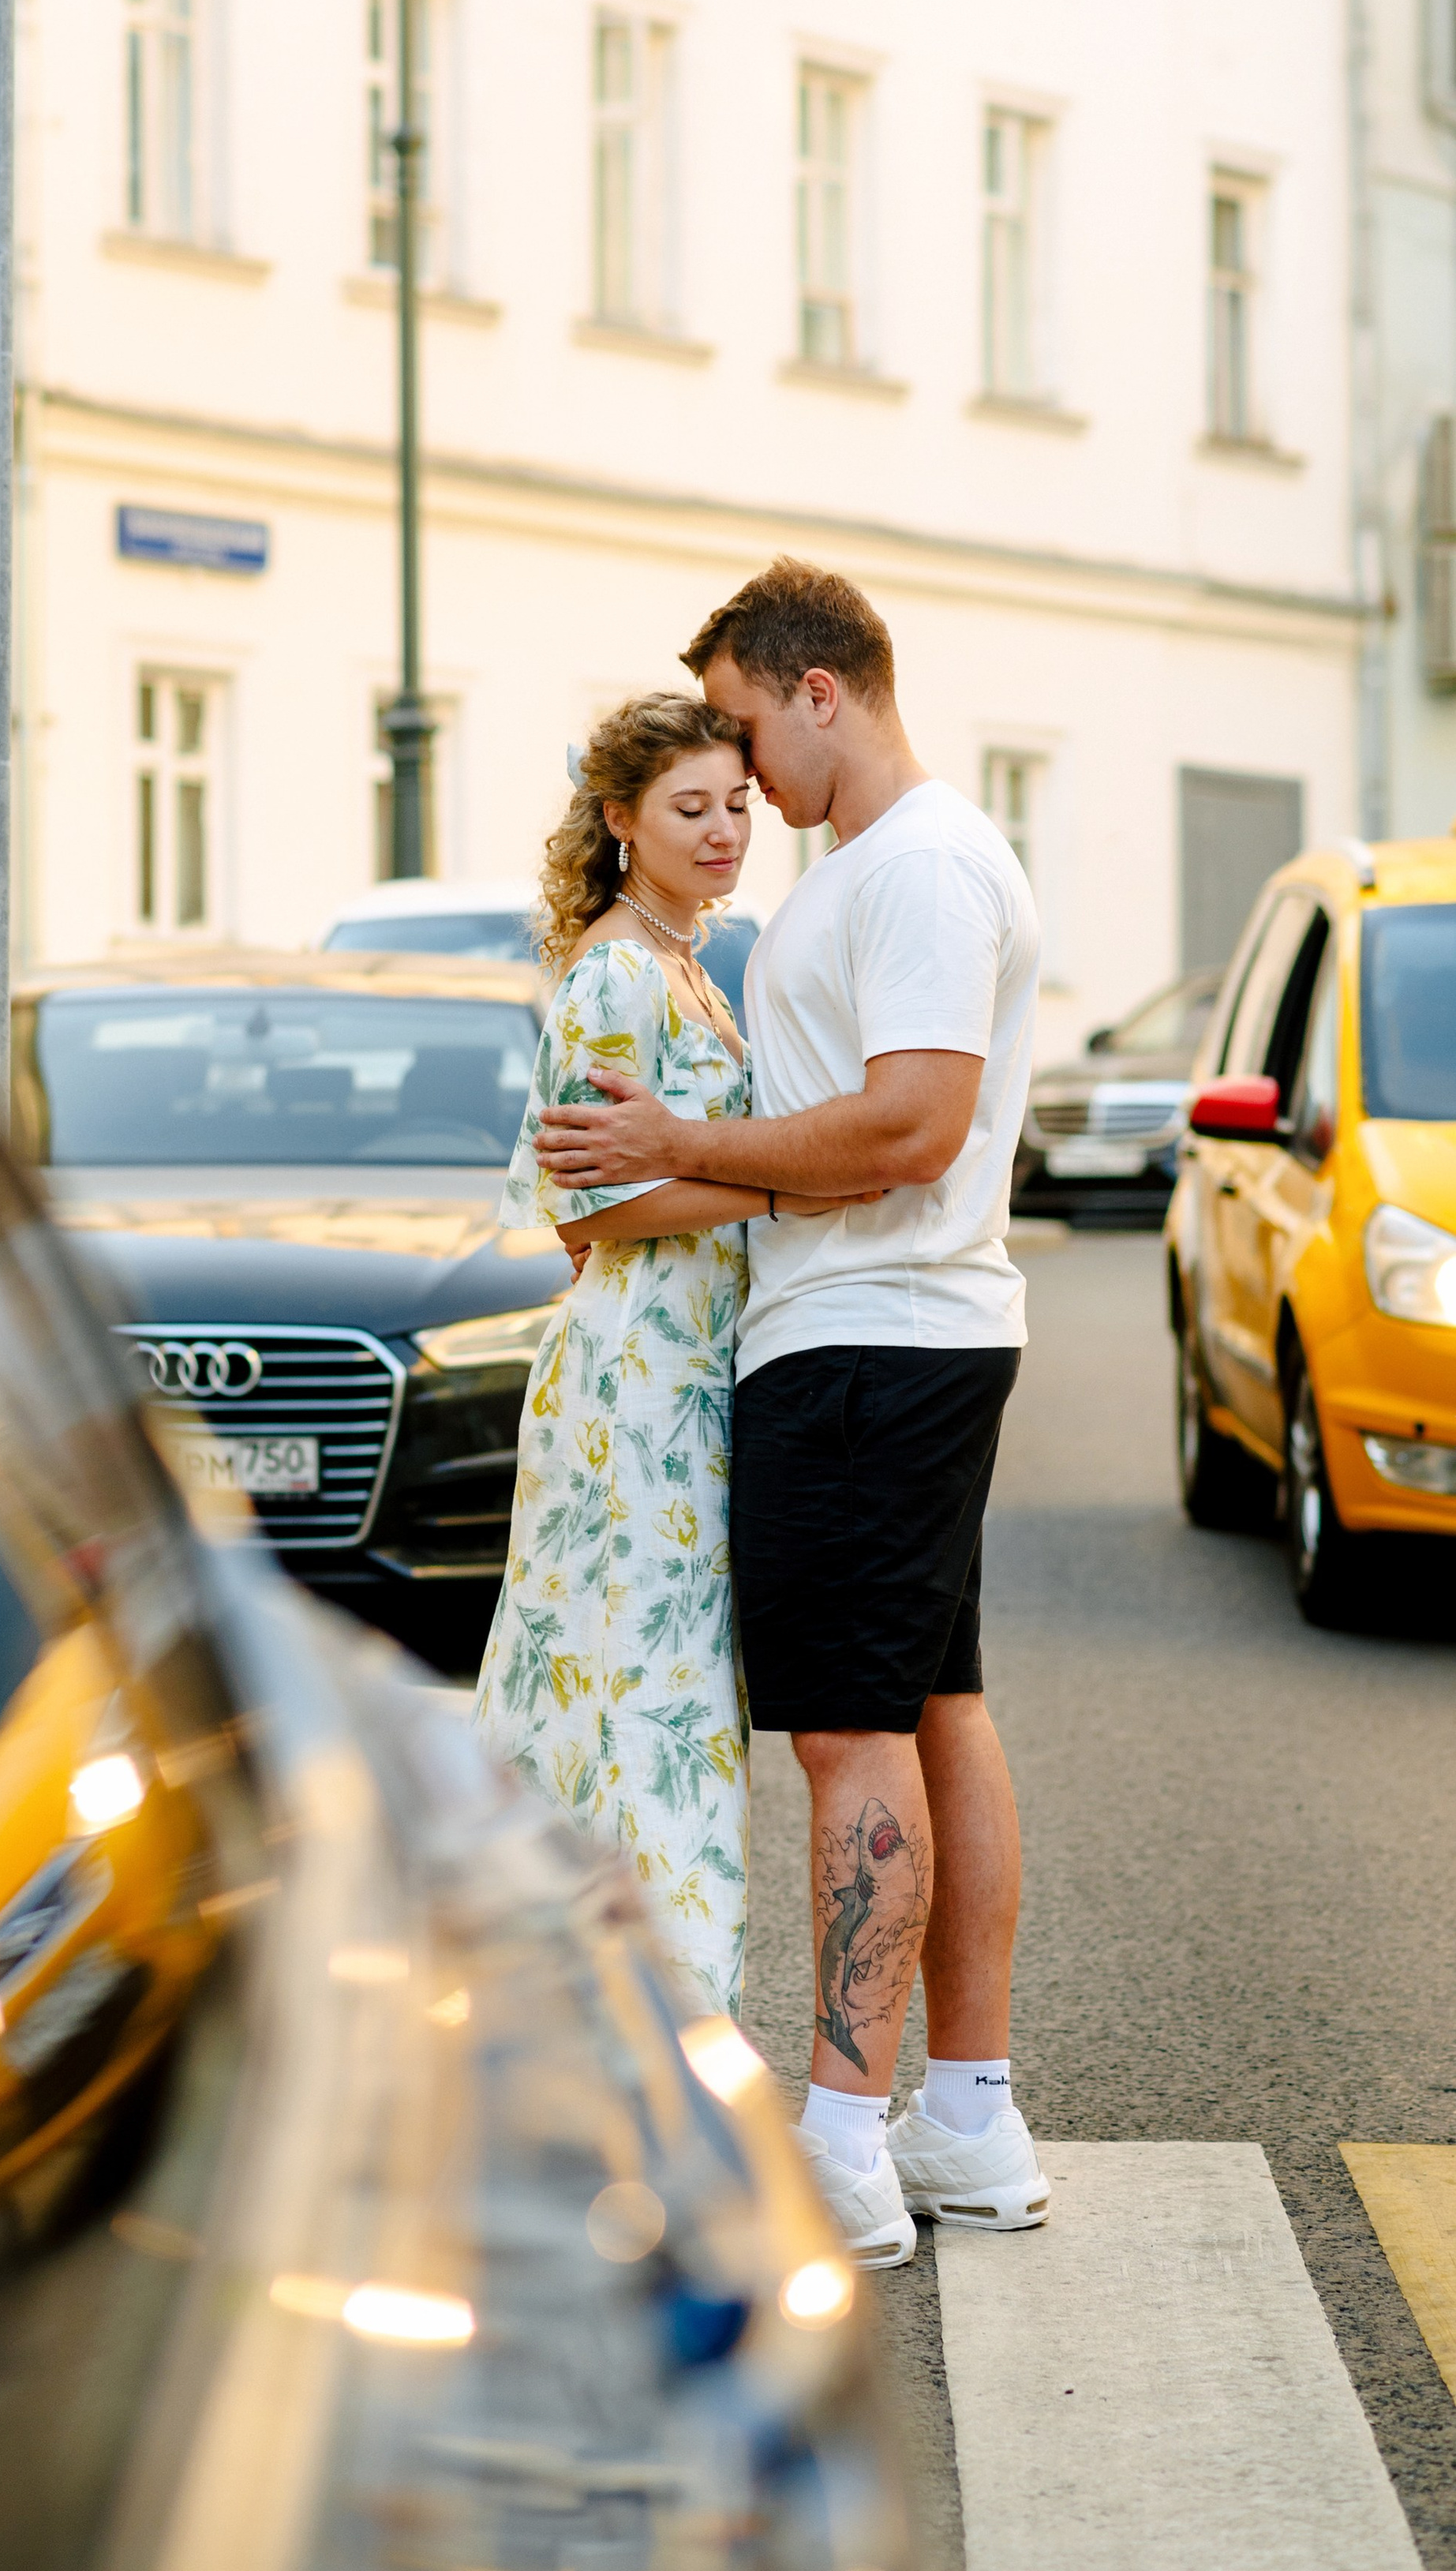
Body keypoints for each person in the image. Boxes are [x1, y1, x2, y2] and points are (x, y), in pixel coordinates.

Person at [533, 561, 1049, 2268]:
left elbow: (905, 1128)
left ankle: (841, 2141)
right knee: (929, 1708)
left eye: (748, 732)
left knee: (850, 1740)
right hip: (898, 1335)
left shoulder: (913, 868)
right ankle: (961, 2115)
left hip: (866, 1347)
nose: (745, 780)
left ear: (816, 689)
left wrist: (684, 1146)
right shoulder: (878, 873)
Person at [473, 693, 863, 2016]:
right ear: (621, 819)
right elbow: (591, 1206)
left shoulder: (699, 960)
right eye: (690, 808)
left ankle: (610, 2005)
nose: (724, 831)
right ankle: (652, 2017)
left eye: (738, 805)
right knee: (640, 1697)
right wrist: (784, 1192)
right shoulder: (617, 974)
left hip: (692, 1378)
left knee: (661, 1691)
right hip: (632, 1388)